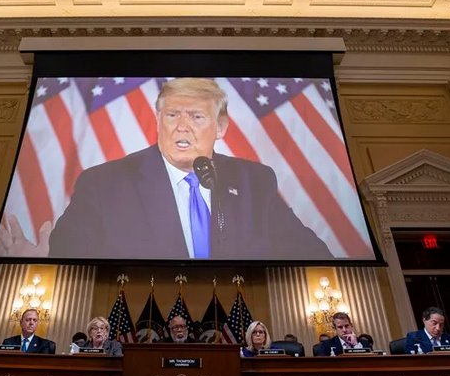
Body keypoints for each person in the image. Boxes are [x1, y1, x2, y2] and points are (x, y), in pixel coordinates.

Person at [47, 77, 332, 260]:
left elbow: (313, 254)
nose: (182, 127)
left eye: (196, 117)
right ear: (158, 120)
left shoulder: (253, 181)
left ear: (220, 127)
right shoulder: (103, 183)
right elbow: (65, 254)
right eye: (172, 115)